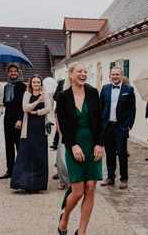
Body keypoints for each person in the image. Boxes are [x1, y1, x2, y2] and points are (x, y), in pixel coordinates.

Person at [56, 62, 105, 235]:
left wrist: (100, 144)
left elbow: (100, 120)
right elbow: (63, 124)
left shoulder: (93, 93)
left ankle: (82, 231)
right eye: (79, 71)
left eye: (85, 71)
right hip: (74, 144)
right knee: (77, 192)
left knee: (91, 188)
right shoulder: (63, 96)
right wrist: (73, 145)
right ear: (70, 74)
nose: (83, 74)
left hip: (93, 145)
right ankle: (65, 217)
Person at [10, 75, 52, 192]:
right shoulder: (27, 94)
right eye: (34, 82)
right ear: (31, 83)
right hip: (28, 129)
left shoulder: (45, 94)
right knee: (25, 156)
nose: (36, 84)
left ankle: (38, 185)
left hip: (40, 129)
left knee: (39, 156)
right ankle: (23, 183)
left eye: (38, 82)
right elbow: (25, 108)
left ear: (41, 83)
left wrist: (37, 112)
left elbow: (48, 108)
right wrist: (37, 102)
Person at [100, 66, 136, 190]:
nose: (115, 77)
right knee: (109, 153)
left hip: (121, 127)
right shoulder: (105, 88)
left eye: (117, 74)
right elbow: (101, 107)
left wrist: (129, 125)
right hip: (107, 126)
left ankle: (124, 178)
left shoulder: (129, 90)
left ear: (121, 75)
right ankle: (110, 177)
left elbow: (132, 109)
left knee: (122, 153)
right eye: (113, 74)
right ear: (110, 75)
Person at [1, 64, 25, 180]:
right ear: (8, 73)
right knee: (9, 147)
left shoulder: (22, 87)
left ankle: (20, 170)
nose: (13, 73)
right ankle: (10, 170)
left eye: (15, 71)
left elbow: (23, 106)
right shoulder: (6, 87)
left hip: (18, 121)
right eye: (11, 71)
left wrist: (20, 119)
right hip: (8, 121)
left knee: (19, 147)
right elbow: (5, 104)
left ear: (18, 73)